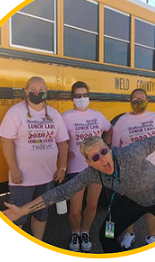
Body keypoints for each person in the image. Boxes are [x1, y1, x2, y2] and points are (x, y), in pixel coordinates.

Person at [3, 125, 155, 253]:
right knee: (106, 235)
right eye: (95, 157)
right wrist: (22, 210)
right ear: (89, 162)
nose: (103, 158)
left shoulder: (131, 153)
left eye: (104, 151)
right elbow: (60, 192)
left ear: (109, 147)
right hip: (134, 199)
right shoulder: (92, 174)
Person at [0, 76, 69, 240]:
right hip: (22, 179)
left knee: (41, 216)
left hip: (47, 177)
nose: (37, 93)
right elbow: (6, 141)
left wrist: (63, 167)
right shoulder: (16, 112)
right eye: (33, 90)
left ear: (46, 93)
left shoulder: (54, 114)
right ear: (26, 92)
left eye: (41, 91)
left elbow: (62, 143)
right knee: (17, 218)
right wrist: (14, 168)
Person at [112, 88, 155, 248]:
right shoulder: (122, 121)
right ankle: (129, 234)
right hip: (129, 174)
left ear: (148, 101)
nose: (139, 102)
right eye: (135, 100)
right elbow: (116, 147)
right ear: (130, 102)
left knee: (154, 206)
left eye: (142, 99)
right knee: (128, 206)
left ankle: (151, 237)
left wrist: (154, 153)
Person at [62, 81, 113, 252]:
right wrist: (65, 149)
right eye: (78, 96)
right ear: (72, 98)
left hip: (96, 167)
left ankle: (85, 232)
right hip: (75, 167)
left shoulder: (97, 116)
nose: (82, 98)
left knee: (92, 205)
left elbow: (110, 129)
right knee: (75, 210)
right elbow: (60, 138)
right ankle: (74, 232)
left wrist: (107, 145)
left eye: (85, 95)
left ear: (89, 96)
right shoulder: (66, 117)